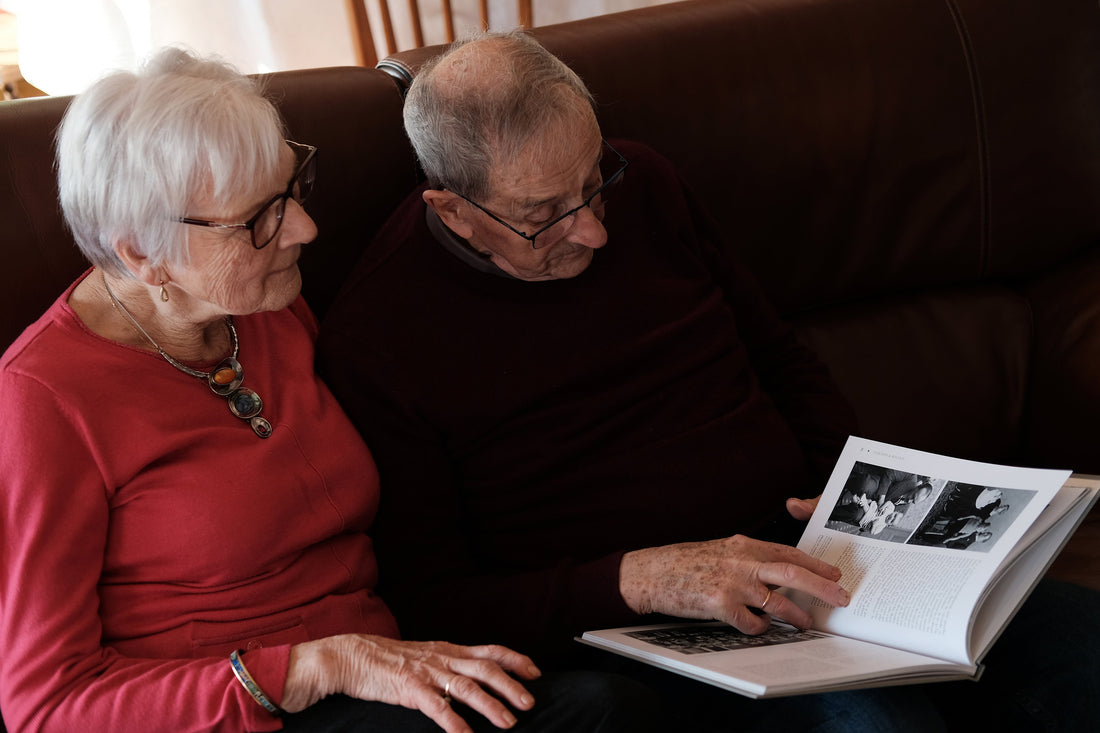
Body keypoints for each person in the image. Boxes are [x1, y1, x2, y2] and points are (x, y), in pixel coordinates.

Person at [317, 30, 1100, 732]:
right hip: (649, 622)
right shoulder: (380, 337)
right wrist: (635, 580)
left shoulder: (647, 183)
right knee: (874, 719)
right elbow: (434, 599)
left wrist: (841, 492)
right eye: (545, 213)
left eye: (594, 180)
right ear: (454, 211)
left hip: (810, 553)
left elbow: (780, 355)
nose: (594, 228)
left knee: (1083, 646)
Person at [0, 47, 656, 733]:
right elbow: (47, 706)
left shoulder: (265, 305)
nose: (306, 230)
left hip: (390, 674)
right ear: (139, 251)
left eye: (294, 190)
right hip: (245, 714)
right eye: (260, 219)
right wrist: (315, 667)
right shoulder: (45, 399)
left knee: (621, 703)